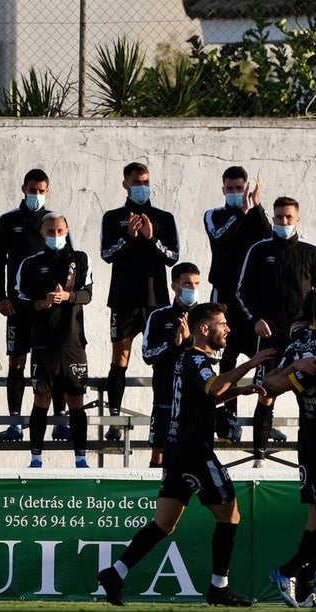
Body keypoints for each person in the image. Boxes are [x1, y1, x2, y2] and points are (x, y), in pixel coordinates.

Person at [96, 302, 274, 607]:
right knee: (230, 515)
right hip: (194, 451)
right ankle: (219, 587)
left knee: (164, 523)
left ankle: (115, 572)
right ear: (204, 329)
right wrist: (252, 362)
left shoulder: (188, 360)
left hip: (178, 450)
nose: (228, 328)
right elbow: (213, 386)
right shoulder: (196, 359)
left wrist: (238, 391)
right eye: (222, 323)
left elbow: (207, 395)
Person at [262, 288, 316, 608]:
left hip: (309, 438)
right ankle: (291, 573)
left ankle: (303, 590)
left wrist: (293, 371)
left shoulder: (294, 344)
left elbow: (268, 386)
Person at [236, 196, 316, 466]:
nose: (283, 222)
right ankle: (259, 457)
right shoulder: (259, 250)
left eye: (289, 218)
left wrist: (313, 328)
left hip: (303, 338)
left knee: (309, 397)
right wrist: (255, 319)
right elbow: (242, 291)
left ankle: (312, 456)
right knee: (265, 393)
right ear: (273, 219)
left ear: (297, 220)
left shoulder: (310, 253)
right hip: (269, 337)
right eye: (279, 217)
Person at [100, 162, 180, 443]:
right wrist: (128, 237)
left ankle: (164, 417)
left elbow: (173, 256)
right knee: (120, 357)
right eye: (136, 182)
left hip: (156, 300)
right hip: (123, 299)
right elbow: (106, 254)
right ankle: (114, 419)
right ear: (125, 184)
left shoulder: (164, 217)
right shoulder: (112, 218)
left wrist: (151, 238)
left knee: (162, 357)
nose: (141, 187)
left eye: (145, 181)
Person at [15, 212, 93, 469]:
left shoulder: (80, 259)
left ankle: (81, 458)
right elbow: (20, 301)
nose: (56, 236)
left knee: (76, 401)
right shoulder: (30, 264)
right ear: (42, 233)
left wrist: (67, 297)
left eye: (60, 231)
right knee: (41, 399)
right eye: (50, 232)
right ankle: (35, 458)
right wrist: (42, 303)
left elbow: (87, 294)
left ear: (68, 230)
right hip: (43, 343)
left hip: (73, 343)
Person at [203, 165, 271, 442]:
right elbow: (219, 237)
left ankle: (262, 415)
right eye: (229, 189)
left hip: (251, 299)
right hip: (224, 297)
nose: (234, 193)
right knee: (225, 356)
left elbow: (270, 238)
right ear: (223, 189)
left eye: (238, 189)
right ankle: (226, 417)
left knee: (259, 356)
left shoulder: (255, 214)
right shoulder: (214, 216)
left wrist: (258, 207)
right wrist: (242, 212)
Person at [0, 169, 54, 442]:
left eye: (41, 191)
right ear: (23, 188)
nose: (36, 195)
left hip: (48, 308)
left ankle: (57, 422)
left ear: (47, 190)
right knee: (16, 362)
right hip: (17, 306)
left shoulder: (54, 222)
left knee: (51, 362)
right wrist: (1, 297)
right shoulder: (8, 221)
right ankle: (15, 423)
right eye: (32, 190)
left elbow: (70, 261)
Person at [142, 262, 201, 467]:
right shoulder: (159, 316)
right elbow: (147, 354)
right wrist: (173, 344)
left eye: (196, 283)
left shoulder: (205, 316)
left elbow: (217, 354)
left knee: (195, 450)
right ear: (175, 286)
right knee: (159, 452)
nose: (192, 288)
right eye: (186, 283)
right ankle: (156, 496)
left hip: (196, 394)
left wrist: (190, 343)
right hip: (165, 392)